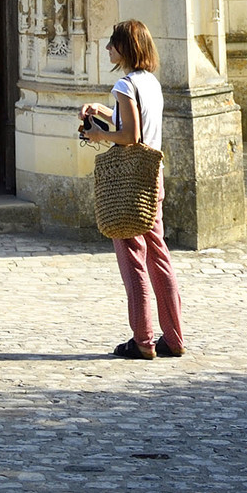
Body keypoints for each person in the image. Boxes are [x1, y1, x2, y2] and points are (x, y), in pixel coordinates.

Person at [82, 18, 185, 361]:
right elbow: (137, 124)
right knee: (159, 256)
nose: (107, 48)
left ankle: (142, 340)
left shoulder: (124, 85)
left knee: (133, 261)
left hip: (128, 184)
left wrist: (97, 135)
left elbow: (130, 136)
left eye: (112, 43)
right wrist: (102, 111)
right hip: (153, 177)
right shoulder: (151, 83)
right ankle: (174, 337)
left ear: (125, 48)